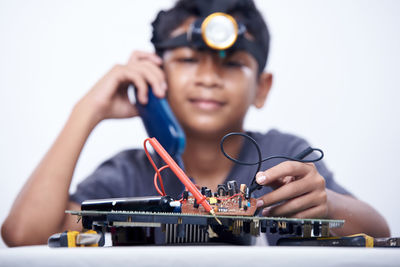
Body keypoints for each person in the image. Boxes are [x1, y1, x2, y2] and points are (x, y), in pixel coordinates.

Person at [1, 0, 390, 246]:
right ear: (155, 73)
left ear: (262, 87)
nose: (208, 77)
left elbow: (380, 232)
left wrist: (326, 203)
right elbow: (24, 236)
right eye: (188, 60)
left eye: (233, 64)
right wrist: (87, 110)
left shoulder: (283, 158)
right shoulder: (130, 174)